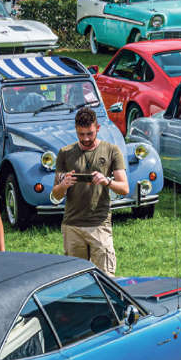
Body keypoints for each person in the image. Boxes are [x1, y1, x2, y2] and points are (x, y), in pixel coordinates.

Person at [50, 107, 129, 274]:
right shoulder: (65, 153)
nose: (86, 139)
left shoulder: (111, 150)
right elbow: (55, 195)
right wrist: (64, 185)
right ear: (76, 130)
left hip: (99, 225)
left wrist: (107, 181)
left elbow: (124, 188)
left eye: (90, 134)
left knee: (107, 278)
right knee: (75, 279)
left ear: (98, 128)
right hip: (72, 226)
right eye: (81, 134)